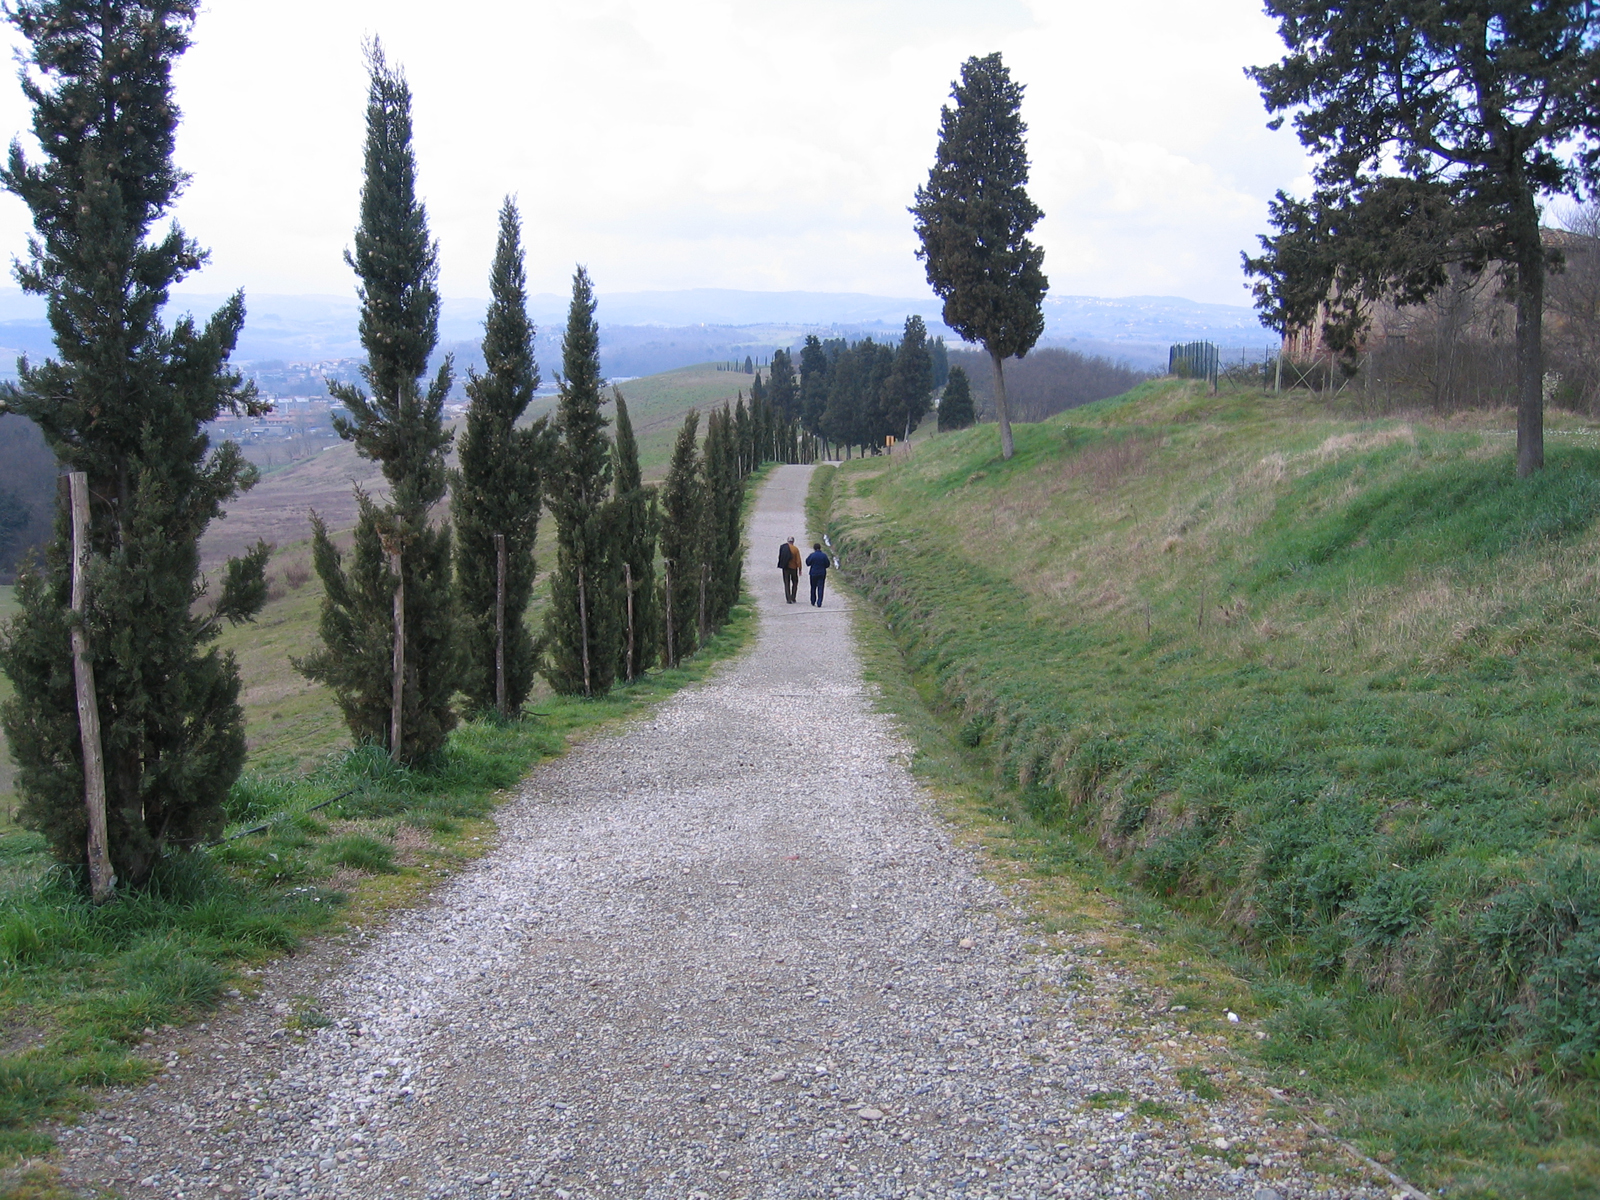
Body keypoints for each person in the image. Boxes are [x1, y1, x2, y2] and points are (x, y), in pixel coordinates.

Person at [805, 542, 831, 607]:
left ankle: (813, 601)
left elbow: (808, 563)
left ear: (814, 548)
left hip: (813, 573)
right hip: (821, 573)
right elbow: (827, 564)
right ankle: (819, 602)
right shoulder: (824, 555)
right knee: (820, 588)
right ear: (820, 548)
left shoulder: (812, 555)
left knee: (813, 587)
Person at [778, 536, 801, 604]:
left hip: (785, 568)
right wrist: (800, 568)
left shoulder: (783, 548)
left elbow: (780, 557)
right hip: (793, 568)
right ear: (793, 541)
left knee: (786, 583)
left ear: (788, 541)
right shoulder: (795, 549)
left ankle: (788, 598)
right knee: (795, 582)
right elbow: (798, 560)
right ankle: (793, 597)